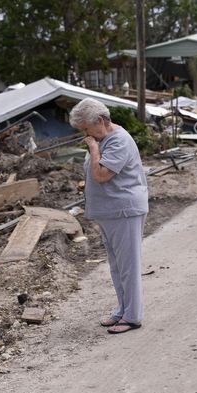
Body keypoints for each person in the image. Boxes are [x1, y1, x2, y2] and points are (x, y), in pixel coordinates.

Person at [69, 98, 149, 334]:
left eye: (86, 128)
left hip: (124, 210)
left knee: (128, 265)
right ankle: (123, 309)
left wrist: (93, 149)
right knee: (117, 265)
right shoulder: (103, 138)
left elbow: (102, 174)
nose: (85, 134)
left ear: (101, 121)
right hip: (109, 212)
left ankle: (133, 316)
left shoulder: (118, 141)